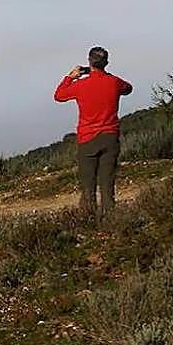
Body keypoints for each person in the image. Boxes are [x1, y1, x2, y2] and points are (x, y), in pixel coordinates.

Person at [54, 46, 133, 218]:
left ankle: (89, 219)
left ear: (89, 62)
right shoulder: (114, 82)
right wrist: (107, 75)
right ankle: (110, 220)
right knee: (107, 183)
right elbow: (128, 88)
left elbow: (59, 96)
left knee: (88, 185)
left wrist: (70, 77)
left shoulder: (81, 85)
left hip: (87, 139)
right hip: (110, 138)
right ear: (106, 63)